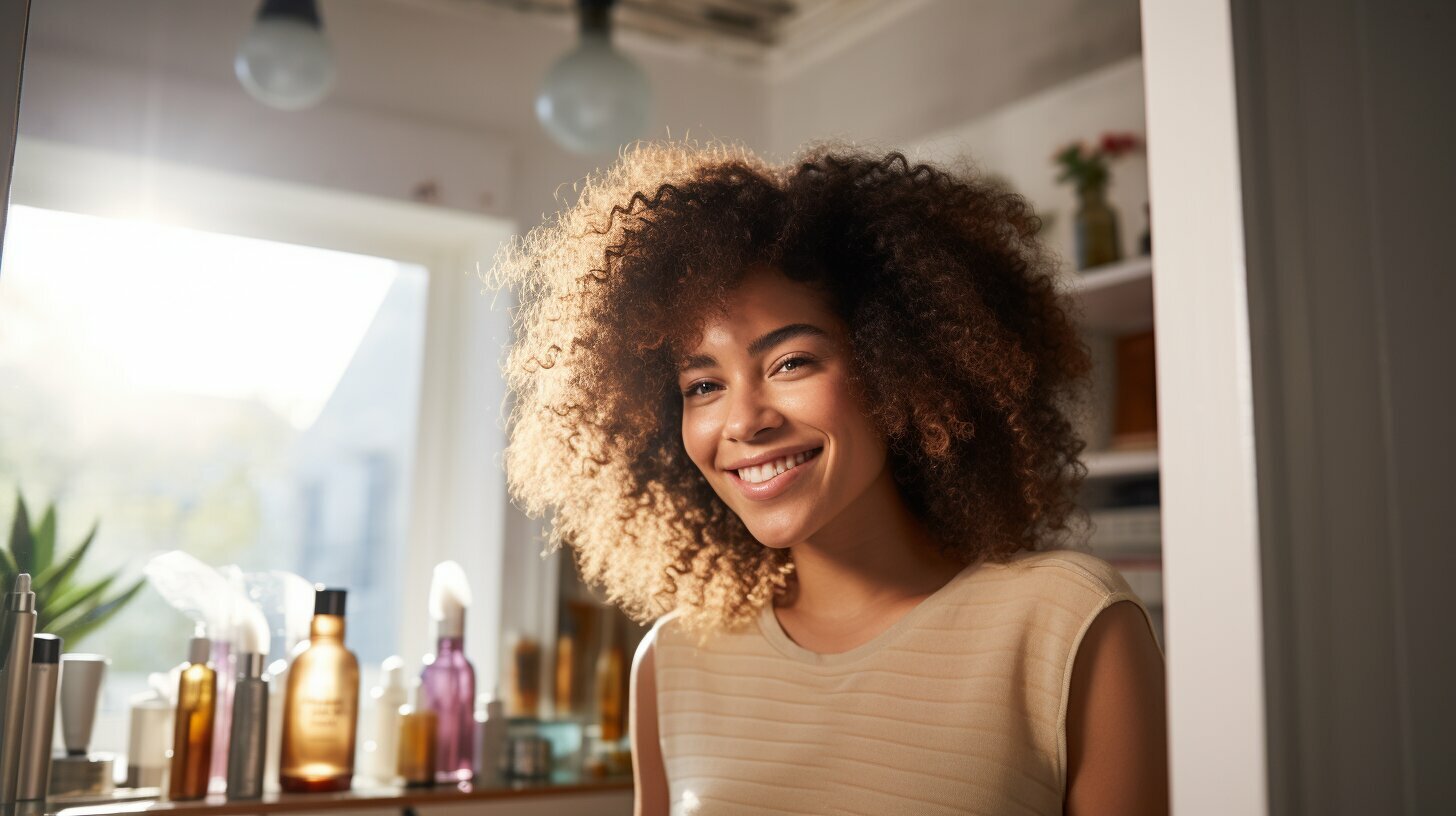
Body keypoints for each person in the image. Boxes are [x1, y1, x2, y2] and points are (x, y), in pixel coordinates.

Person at [494, 143, 1169, 815]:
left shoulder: (1069, 624)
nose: (744, 421)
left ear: (900, 363)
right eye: (703, 384)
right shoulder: (673, 662)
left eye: (790, 363)